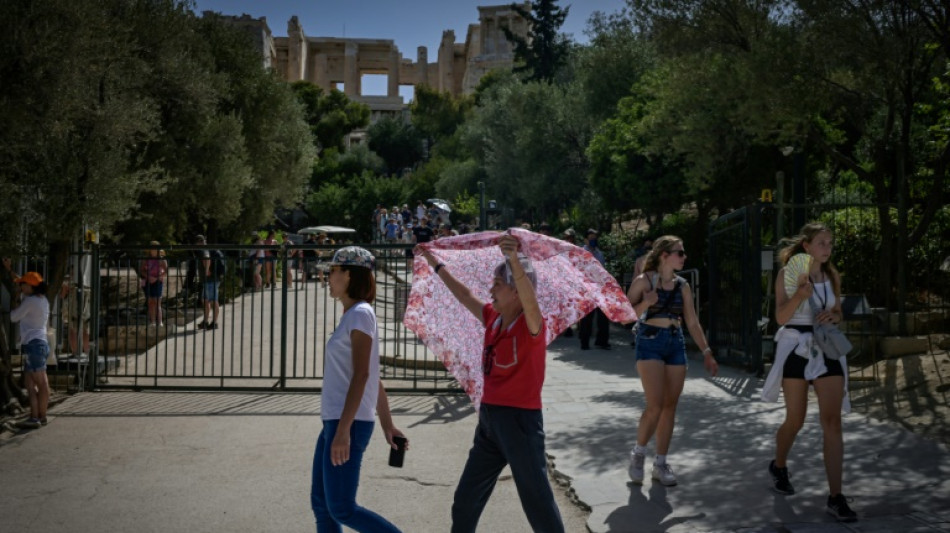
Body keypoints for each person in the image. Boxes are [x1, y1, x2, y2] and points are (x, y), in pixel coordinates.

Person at [418, 234, 566, 533]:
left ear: (515, 291)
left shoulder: (532, 324)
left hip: (520, 424)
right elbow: (463, 295)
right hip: (490, 422)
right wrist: (435, 263)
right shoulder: (493, 318)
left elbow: (530, 300)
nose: (490, 290)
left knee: (537, 502)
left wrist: (513, 260)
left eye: (497, 285)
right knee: (465, 499)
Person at [763, 222, 857, 522]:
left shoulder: (831, 275)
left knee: (832, 421)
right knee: (796, 420)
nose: (827, 248)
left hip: (826, 346)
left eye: (830, 243)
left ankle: (836, 496)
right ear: (806, 246)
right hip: (796, 346)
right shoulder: (787, 275)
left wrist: (834, 315)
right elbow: (780, 317)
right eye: (821, 243)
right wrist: (800, 297)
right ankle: (779, 465)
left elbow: (839, 312)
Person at [311, 246, 405, 533]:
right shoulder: (353, 314)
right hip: (337, 420)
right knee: (323, 503)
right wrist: (389, 425)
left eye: (333, 272)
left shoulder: (360, 314)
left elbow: (363, 374)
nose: (328, 277)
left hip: (345, 424)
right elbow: (372, 375)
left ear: (349, 275)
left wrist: (342, 431)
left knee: (342, 508)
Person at [625, 235, 718, 486]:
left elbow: (692, 321)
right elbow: (624, 316)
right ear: (664, 255)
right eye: (679, 252)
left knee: (669, 407)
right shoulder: (644, 281)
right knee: (654, 405)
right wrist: (646, 301)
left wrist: (706, 351)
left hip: (675, 343)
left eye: (683, 252)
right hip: (650, 342)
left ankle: (661, 463)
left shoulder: (683, 285)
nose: (684, 257)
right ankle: (638, 453)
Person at [10, 272, 50, 429]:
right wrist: (10, 270)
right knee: (29, 381)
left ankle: (37, 417)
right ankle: (38, 415)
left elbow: (14, 317)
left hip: (33, 345)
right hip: (38, 344)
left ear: (30, 286)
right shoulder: (42, 299)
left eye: (22, 284)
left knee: (40, 382)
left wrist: (15, 300)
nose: (20, 287)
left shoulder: (30, 301)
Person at [578, 229, 611, 350]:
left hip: (599, 288)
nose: (593, 240)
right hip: (586, 288)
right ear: (585, 240)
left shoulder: (599, 253)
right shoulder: (581, 252)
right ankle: (584, 342)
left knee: (603, 316)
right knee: (587, 317)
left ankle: (602, 341)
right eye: (591, 238)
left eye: (595, 238)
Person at [196, 235, 223, 331]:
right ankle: (206, 321)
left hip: (210, 280)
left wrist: (207, 271)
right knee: (205, 300)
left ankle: (214, 323)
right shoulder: (207, 248)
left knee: (213, 300)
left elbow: (207, 258)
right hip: (209, 280)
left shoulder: (204, 250)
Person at [140, 241, 168, 327]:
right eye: (152, 248)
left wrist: (158, 277)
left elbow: (166, 271)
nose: (154, 250)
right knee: (150, 302)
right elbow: (142, 270)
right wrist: (149, 277)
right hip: (148, 281)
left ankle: (160, 322)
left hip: (158, 281)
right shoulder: (146, 259)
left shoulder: (162, 259)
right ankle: (152, 322)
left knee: (157, 302)